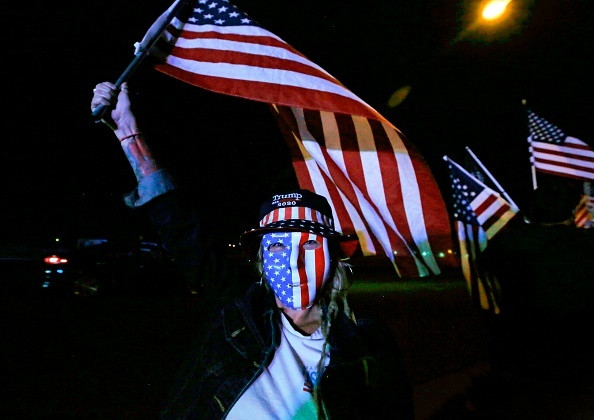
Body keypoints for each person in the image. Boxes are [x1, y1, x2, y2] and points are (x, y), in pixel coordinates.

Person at [91, 81, 414, 419]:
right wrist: (128, 131)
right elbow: (179, 226)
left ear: (334, 257)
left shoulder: (368, 342)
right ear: (261, 258)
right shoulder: (237, 308)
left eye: (310, 243)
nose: (293, 262)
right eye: (277, 245)